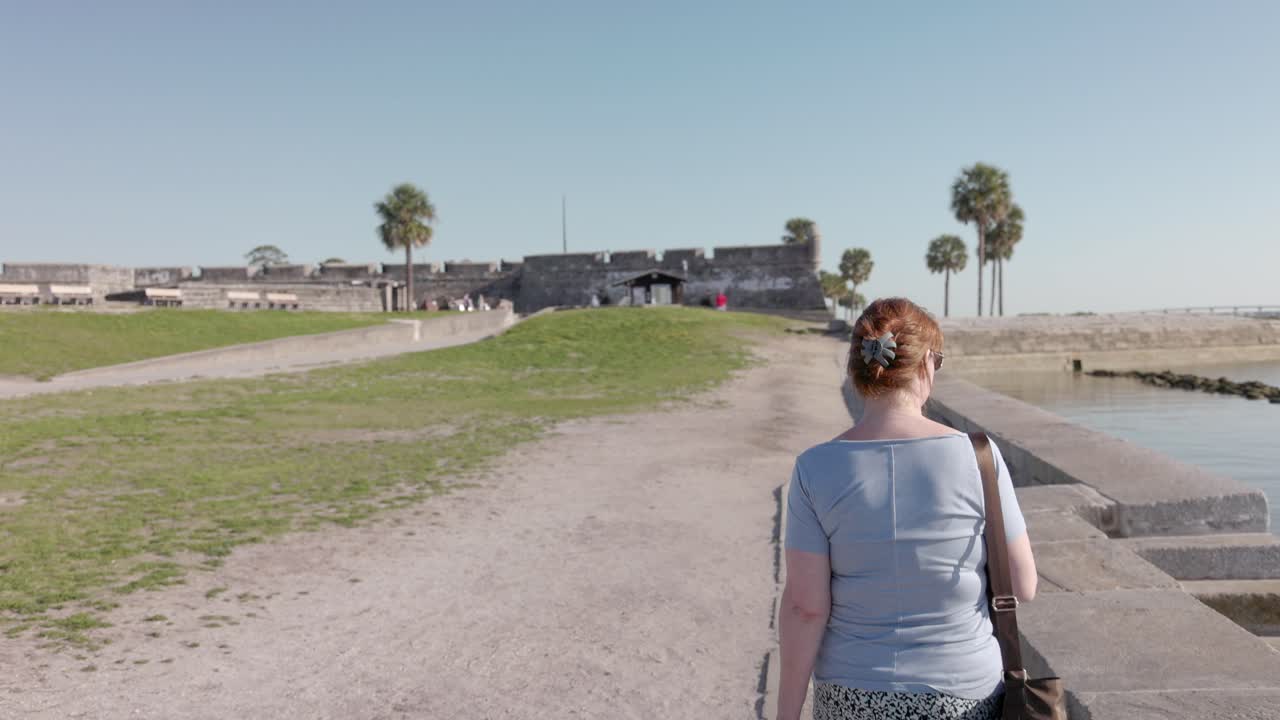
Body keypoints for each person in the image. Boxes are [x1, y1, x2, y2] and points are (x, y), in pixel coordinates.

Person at [777, 297, 1037, 720]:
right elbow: (1023, 585)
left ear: (858, 369)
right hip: (965, 694)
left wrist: (786, 713)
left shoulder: (815, 467)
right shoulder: (979, 457)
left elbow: (806, 607)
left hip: (852, 694)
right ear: (924, 366)